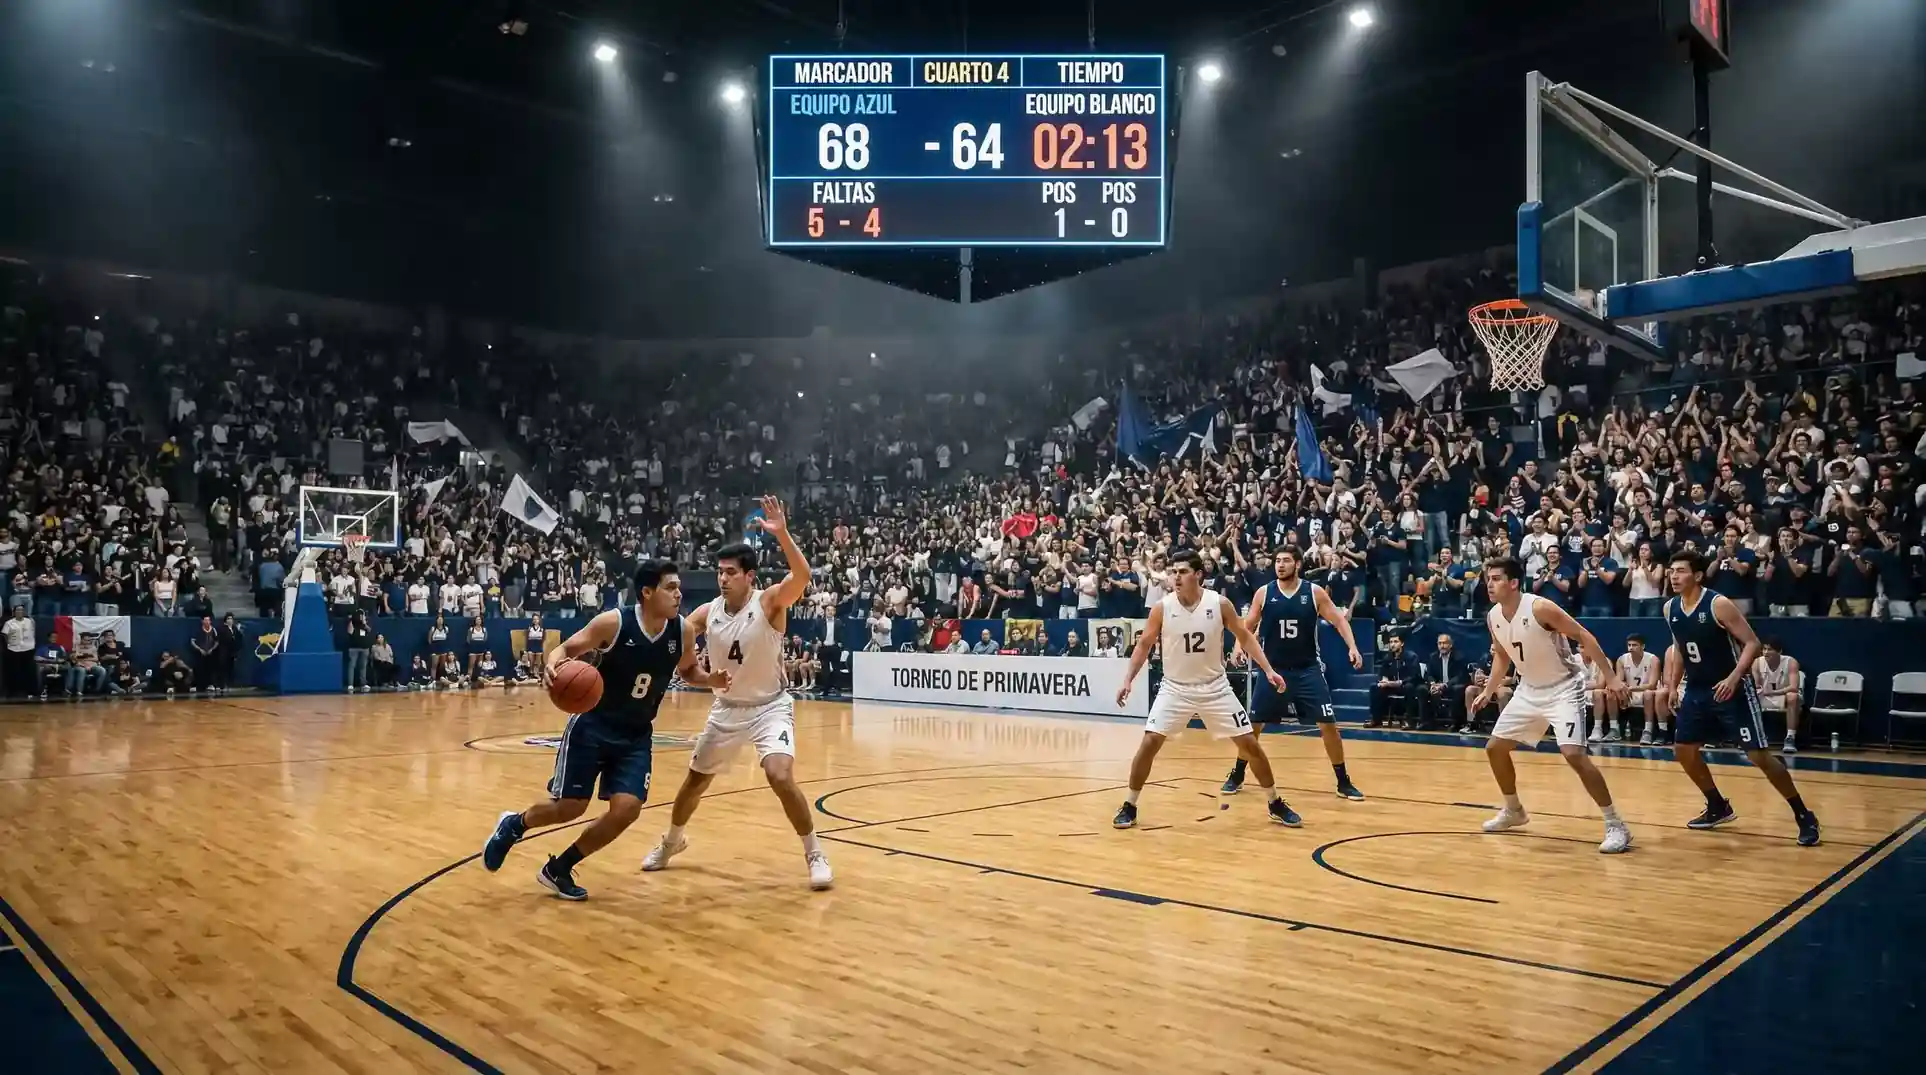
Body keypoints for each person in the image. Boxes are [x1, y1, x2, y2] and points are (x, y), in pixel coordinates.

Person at [481, 559, 720, 900]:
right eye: (670, 587)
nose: (678, 594)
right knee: (570, 807)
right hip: (593, 725)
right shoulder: (614, 622)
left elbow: (689, 671)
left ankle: (559, 868)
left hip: (636, 734)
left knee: (627, 809)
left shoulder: (681, 631)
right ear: (646, 593)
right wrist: (552, 665)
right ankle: (514, 825)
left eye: (678, 587)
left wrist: (711, 680)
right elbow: (567, 648)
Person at [639, 497, 833, 890]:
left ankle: (814, 852)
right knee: (694, 782)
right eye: (719, 572)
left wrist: (782, 535)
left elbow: (802, 576)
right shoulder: (706, 612)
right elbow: (674, 634)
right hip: (726, 709)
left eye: (730, 572)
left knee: (778, 773)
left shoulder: (770, 602)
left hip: (769, 707)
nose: (722, 578)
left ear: (749, 576)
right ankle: (672, 842)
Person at [1111, 549, 1296, 829]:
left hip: (1215, 687)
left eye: (1182, 571)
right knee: (1149, 743)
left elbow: (1244, 636)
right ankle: (1130, 804)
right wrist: (1127, 680)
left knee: (1249, 744)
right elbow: (1144, 645)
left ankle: (1274, 801)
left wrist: (1269, 670)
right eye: (1173, 571)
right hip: (1175, 688)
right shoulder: (1162, 607)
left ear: (1198, 575)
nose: (1176, 576)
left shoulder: (1219, 603)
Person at [1471, 557, 1633, 854]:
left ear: (1514, 582)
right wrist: (1489, 690)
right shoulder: (1493, 616)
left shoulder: (1539, 607)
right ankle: (1513, 810)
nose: (1489, 584)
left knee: (1574, 754)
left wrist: (1610, 677)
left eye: (1495, 578)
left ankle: (1616, 824)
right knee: (1495, 748)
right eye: (1487, 578)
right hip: (1529, 689)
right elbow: (1503, 657)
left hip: (1563, 688)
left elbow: (1583, 635)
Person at [1662, 551, 1820, 845]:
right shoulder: (1669, 607)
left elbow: (1753, 644)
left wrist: (1734, 677)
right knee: (1683, 750)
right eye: (1671, 571)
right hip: (1696, 689)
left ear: (1697, 575)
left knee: (1757, 755)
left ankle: (1803, 814)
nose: (1673, 576)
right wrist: (1672, 686)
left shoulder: (1718, 604)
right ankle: (1717, 805)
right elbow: (1679, 648)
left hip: (1732, 688)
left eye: (1681, 571)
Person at [1223, 546, 1366, 800]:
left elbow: (1339, 620)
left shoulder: (1313, 592)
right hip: (1273, 672)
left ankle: (1343, 781)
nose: (1280, 565)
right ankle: (1237, 774)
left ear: (1297, 564)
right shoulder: (1264, 593)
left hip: (1307, 670)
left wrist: (1353, 646)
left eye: (1286, 561)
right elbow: (1247, 625)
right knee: (1252, 726)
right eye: (1277, 561)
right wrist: (1237, 647)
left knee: (1328, 726)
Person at [1612, 634, 1667, 745]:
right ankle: (1614, 729)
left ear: (1643, 646)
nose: (1631, 648)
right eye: (1629, 645)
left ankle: (1648, 730)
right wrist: (1622, 687)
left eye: (1634, 645)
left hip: (1648, 693)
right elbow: (1619, 680)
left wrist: (1631, 688)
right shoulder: (1622, 660)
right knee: (1611, 693)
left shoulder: (1653, 659)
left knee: (1647, 694)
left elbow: (1652, 685)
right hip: (1630, 692)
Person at [1752, 638, 1804, 754]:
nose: (1765, 652)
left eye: (1769, 649)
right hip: (1764, 696)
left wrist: (1771, 692)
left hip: (1783, 696)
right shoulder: (1757, 662)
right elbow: (1756, 685)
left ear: (1779, 651)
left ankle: (1790, 737)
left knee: (1793, 696)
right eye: (1764, 649)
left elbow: (1794, 687)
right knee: (1747, 697)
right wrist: (1758, 688)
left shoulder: (1791, 662)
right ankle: (1751, 737)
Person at [3, 606, 35, 698]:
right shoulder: (9, 623)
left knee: (28, 671)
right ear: (14, 612)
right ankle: (13, 692)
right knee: (14, 671)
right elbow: (4, 635)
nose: (20, 612)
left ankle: (30, 691)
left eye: (21, 610)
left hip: (28, 649)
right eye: (18, 610)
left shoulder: (30, 622)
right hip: (14, 649)